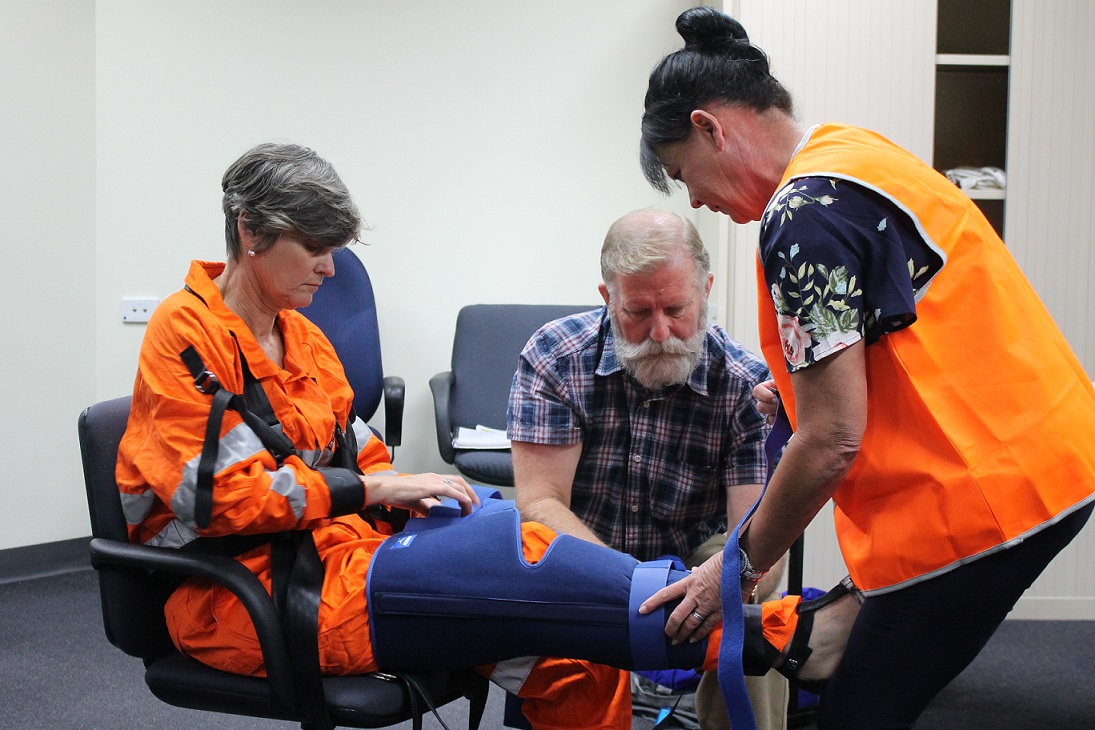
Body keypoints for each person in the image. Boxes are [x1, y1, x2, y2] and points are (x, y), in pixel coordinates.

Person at [119, 142, 845, 730]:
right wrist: (375, 487)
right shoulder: (183, 335)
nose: (330, 267)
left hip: (348, 558)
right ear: (250, 232)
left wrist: (418, 495)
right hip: (245, 596)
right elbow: (214, 501)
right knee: (513, 552)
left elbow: (357, 449)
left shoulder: (301, 338)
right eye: (314, 246)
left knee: (574, 657)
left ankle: (741, 627)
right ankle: (780, 635)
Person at [637, 7, 1095, 729]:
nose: (693, 199)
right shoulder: (850, 155)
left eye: (681, 175)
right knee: (848, 653)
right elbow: (899, 318)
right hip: (1047, 448)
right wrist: (793, 389)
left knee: (860, 711)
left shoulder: (800, 214)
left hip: (988, 497)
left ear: (708, 128)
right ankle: (822, 634)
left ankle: (822, 640)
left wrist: (732, 571)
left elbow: (831, 440)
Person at [508, 207, 788, 730]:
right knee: (530, 556)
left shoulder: (745, 383)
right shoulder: (554, 356)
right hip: (579, 549)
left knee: (757, 624)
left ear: (705, 289)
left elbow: (756, 534)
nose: (660, 333)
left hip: (695, 557)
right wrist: (629, 586)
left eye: (677, 308)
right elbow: (542, 502)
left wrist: (714, 584)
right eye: (637, 312)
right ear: (606, 297)